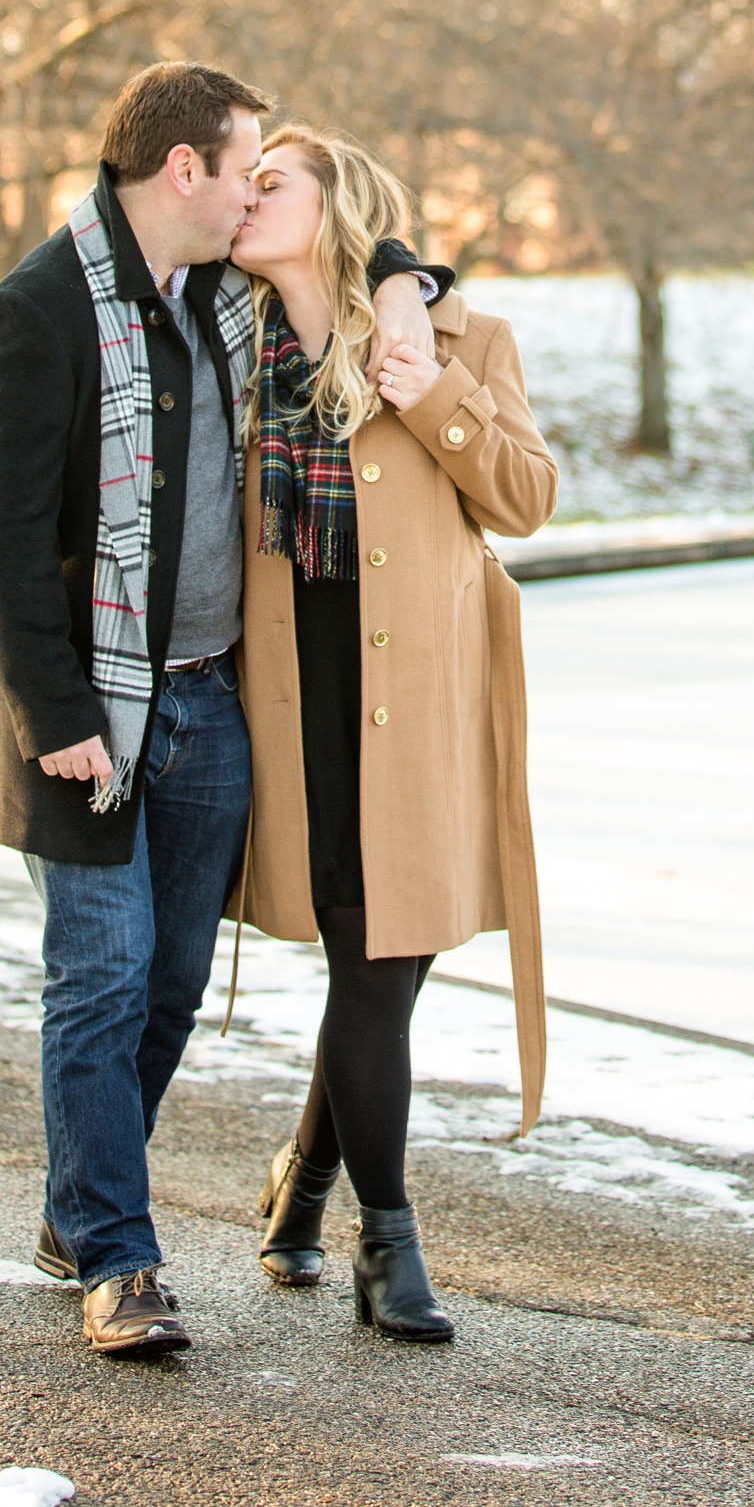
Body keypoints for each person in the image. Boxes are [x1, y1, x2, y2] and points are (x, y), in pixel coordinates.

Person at [0, 62, 448, 1358]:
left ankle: (80, 1205)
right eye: (244, 169)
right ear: (188, 173)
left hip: (208, 710)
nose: (252, 192)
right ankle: (118, 1258)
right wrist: (54, 712)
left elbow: (363, 242)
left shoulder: (224, 303)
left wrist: (403, 281)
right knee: (102, 979)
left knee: (172, 987)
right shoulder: (39, 310)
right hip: (88, 717)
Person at [231, 126, 556, 1343]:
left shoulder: (463, 340)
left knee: (381, 965)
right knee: (364, 966)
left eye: (271, 184)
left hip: (415, 697)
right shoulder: (218, 338)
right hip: (290, 691)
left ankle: (340, 1208)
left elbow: (526, 498)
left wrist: (438, 403)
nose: (245, 198)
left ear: (336, 208)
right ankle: (353, 1217)